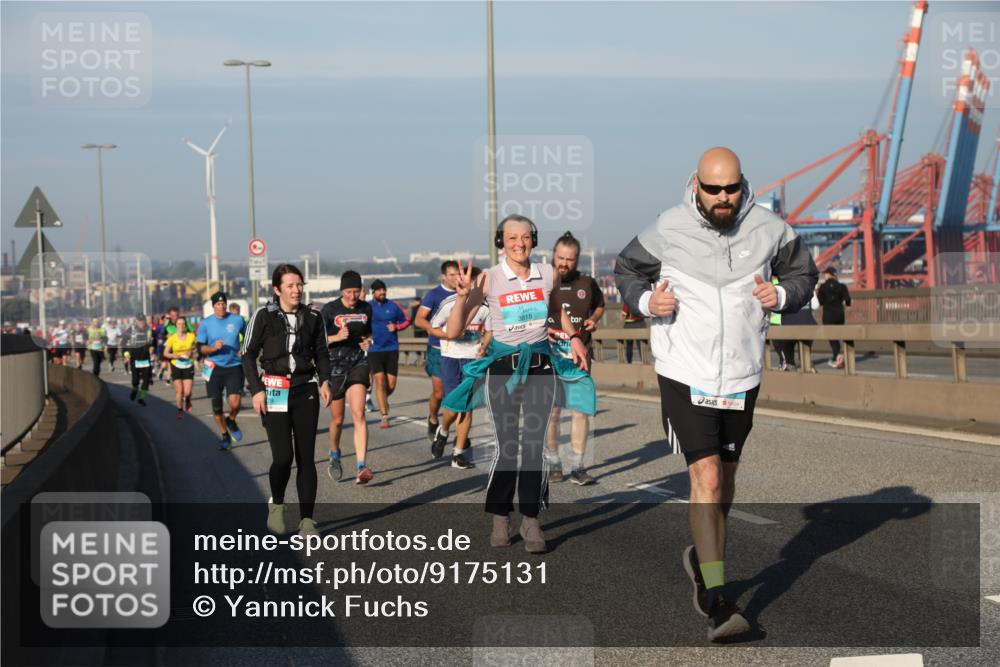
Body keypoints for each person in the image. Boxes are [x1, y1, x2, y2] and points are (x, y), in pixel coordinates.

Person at [614, 147, 817, 641]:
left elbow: (804, 276)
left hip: (742, 374)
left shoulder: (770, 228)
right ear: (696, 186)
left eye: (731, 189)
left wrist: (781, 295)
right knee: (704, 475)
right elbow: (626, 270)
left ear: (742, 185)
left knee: (724, 480)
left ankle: (704, 561)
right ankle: (718, 602)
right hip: (684, 371)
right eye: (713, 189)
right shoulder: (668, 227)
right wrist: (648, 301)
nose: (723, 198)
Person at [443, 215, 594, 554]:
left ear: (533, 240)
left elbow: (557, 309)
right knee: (508, 446)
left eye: (525, 237)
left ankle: (530, 518)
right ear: (502, 242)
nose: (519, 243)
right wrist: (462, 297)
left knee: (535, 446)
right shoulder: (489, 278)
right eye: (512, 237)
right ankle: (500, 515)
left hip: (540, 367)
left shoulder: (548, 273)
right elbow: (454, 331)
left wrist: (574, 337)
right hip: (503, 370)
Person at [242, 264, 333, 537]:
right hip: (274, 388)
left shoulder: (313, 317)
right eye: (290, 285)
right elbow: (247, 354)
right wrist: (256, 390)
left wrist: (325, 380)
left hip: (306, 389)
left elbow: (322, 352)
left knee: (306, 457)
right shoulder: (263, 316)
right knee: (283, 457)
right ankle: (277, 504)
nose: (297, 290)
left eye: (299, 285)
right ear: (277, 289)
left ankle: (307, 521)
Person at [545, 231, 605, 485]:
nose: (564, 263)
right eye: (560, 258)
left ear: (577, 260)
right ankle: (554, 462)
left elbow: (600, 305)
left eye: (569, 259)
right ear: (553, 255)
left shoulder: (587, 283)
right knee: (553, 412)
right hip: (550, 354)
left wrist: (593, 319)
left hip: (579, 355)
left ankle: (578, 466)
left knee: (580, 410)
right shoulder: (542, 281)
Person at [431, 266, 491, 469]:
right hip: (451, 358)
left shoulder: (485, 308)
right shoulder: (449, 304)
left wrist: (484, 346)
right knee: (453, 406)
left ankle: (458, 454)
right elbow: (433, 327)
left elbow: (490, 331)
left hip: (472, 360)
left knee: (467, 407)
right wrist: (450, 335)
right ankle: (443, 430)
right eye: (474, 283)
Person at [321, 271, 375, 485]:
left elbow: (368, 333)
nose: (353, 296)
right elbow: (317, 340)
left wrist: (368, 342)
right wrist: (336, 337)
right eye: (348, 292)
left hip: (357, 362)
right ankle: (334, 453)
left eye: (356, 291)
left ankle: (361, 466)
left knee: (359, 413)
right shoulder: (329, 310)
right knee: (338, 419)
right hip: (334, 365)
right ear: (342, 290)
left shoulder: (366, 308)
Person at [414, 261, 461, 442]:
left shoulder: (464, 293)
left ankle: (460, 436)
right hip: (437, 348)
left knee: (457, 394)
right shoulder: (434, 295)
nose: (456, 278)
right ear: (444, 276)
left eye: (458, 274)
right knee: (439, 393)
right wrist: (434, 330)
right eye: (452, 275)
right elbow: (419, 319)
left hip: (460, 348)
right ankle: (433, 418)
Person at [197, 291, 247, 450]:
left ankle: (231, 420)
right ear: (214, 306)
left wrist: (245, 350)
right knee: (217, 407)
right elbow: (200, 348)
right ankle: (225, 435)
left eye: (223, 303)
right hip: (213, 368)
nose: (221, 306)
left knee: (235, 403)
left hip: (234, 366)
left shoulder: (237, 320)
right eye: (218, 304)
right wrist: (213, 348)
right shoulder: (205, 323)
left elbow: (248, 337)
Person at [366, 279, 411, 429]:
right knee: (379, 381)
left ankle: (382, 400)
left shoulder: (394, 305)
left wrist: (396, 326)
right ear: (373, 292)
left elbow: (407, 320)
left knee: (390, 385)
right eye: (379, 290)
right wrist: (364, 337)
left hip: (391, 349)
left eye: (384, 289)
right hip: (374, 350)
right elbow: (360, 324)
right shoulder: (367, 307)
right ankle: (384, 417)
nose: (382, 292)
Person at [817, 267, 851, 368]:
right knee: (838, 334)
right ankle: (838, 355)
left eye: (825, 274)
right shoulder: (842, 286)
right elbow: (848, 301)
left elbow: (820, 302)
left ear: (829, 274)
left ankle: (837, 356)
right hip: (839, 314)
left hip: (828, 314)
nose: (824, 276)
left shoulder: (823, 287)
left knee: (831, 336)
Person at [164, 315, 197, 419]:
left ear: (185, 325)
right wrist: (174, 355)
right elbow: (165, 353)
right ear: (176, 325)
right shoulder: (172, 338)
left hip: (188, 365)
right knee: (179, 391)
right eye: (179, 324)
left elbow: (197, 348)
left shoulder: (191, 336)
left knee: (187, 392)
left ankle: (188, 400)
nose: (181, 326)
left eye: (183, 324)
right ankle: (179, 410)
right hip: (176, 365)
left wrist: (191, 351)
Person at [121, 314, 155, 405]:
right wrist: (126, 355)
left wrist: (153, 348)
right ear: (136, 321)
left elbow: (154, 342)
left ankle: (142, 398)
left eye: (143, 320)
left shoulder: (149, 330)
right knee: (135, 380)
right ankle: (135, 389)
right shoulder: (130, 331)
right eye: (139, 321)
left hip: (145, 359)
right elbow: (123, 343)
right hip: (134, 358)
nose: (141, 322)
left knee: (146, 380)